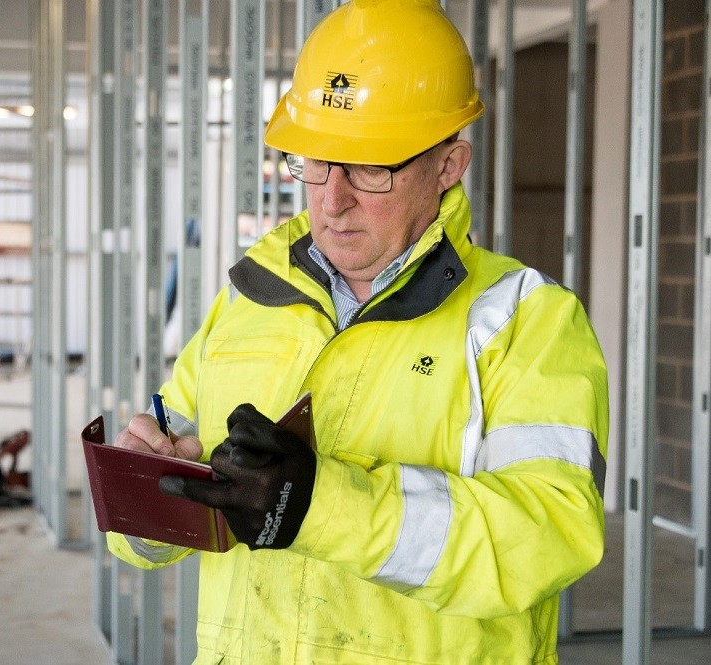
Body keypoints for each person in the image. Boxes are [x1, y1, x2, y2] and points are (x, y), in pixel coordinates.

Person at [107, 0, 608, 662]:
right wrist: (152, 487)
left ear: (448, 165)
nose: (332, 198)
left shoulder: (525, 319)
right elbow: (156, 524)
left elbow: (548, 535)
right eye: (315, 161)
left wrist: (321, 505)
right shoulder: (249, 301)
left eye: (370, 167)